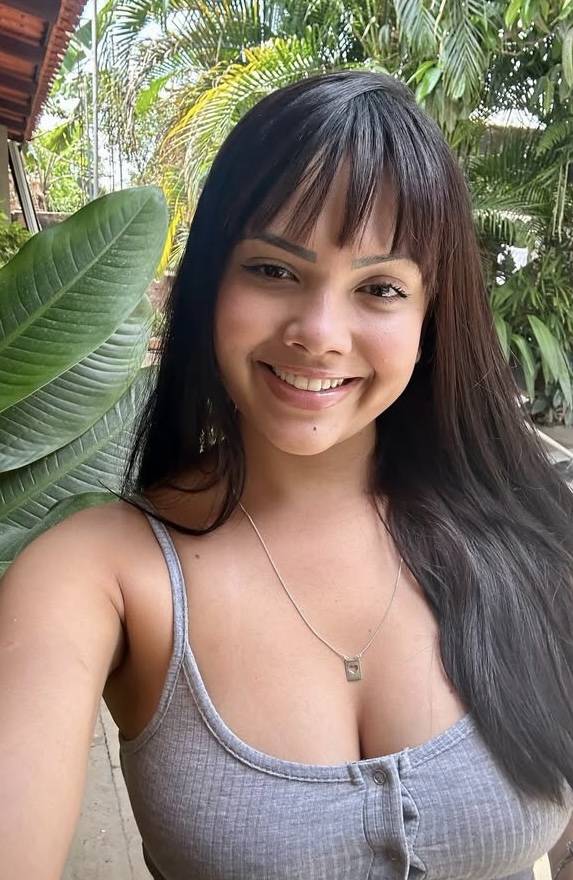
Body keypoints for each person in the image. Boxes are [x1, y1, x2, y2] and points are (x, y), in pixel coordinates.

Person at [1, 70, 573, 880]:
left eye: (379, 287)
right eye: (273, 270)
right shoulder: (97, 573)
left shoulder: (533, 528)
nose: (320, 332)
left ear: (430, 316)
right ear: (208, 282)